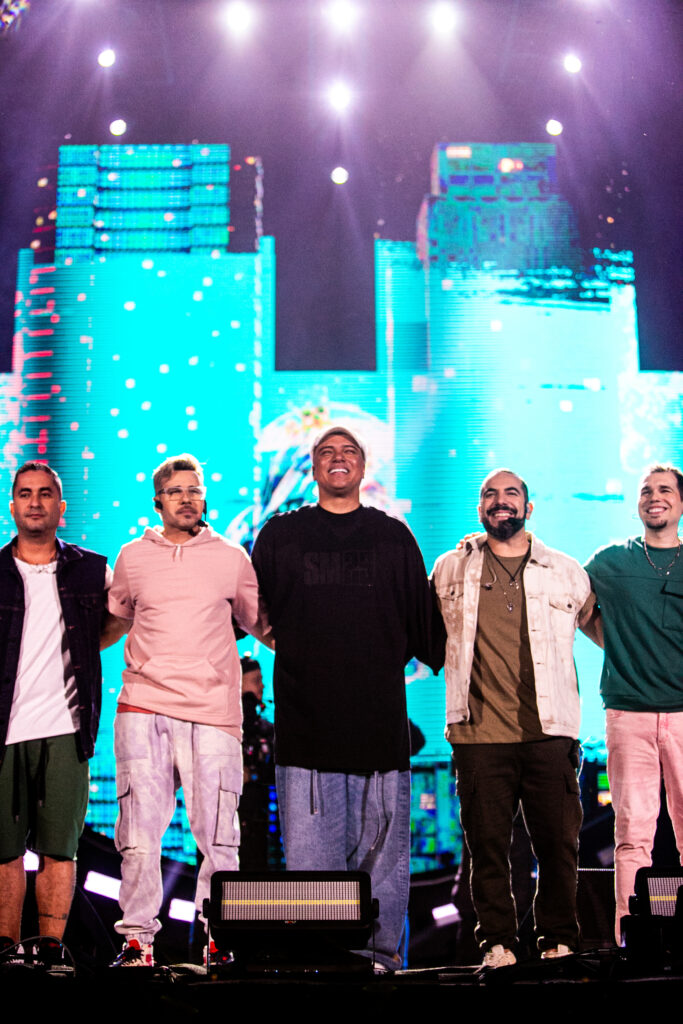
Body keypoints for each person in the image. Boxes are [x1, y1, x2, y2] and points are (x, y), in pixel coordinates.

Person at [251, 425, 440, 971]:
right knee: (314, 873)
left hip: (380, 734)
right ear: (313, 467)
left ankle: (380, 962)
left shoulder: (393, 537)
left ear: (363, 465)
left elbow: (427, 631)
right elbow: (249, 609)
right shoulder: (280, 535)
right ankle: (322, 966)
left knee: (383, 869)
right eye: (327, 452)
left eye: (348, 451)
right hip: (306, 735)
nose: (338, 458)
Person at [103, 453, 267, 967]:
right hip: (143, 707)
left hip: (213, 711)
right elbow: (113, 622)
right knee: (138, 834)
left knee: (220, 837)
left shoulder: (231, 557)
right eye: (175, 491)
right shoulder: (132, 556)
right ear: (158, 501)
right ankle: (138, 941)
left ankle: (219, 938)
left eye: (194, 490)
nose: (186, 498)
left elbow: (263, 625)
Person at [431, 468, 593, 967]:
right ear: (480, 506)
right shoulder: (450, 568)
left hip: (549, 732)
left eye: (511, 493)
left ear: (528, 506)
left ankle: (558, 941)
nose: (500, 501)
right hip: (478, 735)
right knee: (487, 850)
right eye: (490, 494)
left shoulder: (565, 570)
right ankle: (497, 943)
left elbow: (601, 626)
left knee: (559, 847)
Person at [0, 462, 109, 955]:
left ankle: (49, 951)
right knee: (4, 851)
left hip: (67, 727)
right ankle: (6, 950)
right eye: (25, 493)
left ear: (61, 507)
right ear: (12, 506)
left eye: (45, 493)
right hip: (6, 729)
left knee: (60, 850)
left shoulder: (91, 570)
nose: (35, 502)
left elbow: (118, 620)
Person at [583, 462, 683, 942]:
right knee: (632, 835)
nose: (654, 497)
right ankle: (630, 940)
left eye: (664, 490)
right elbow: (573, 602)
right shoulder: (610, 561)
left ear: (680, 503)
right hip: (627, 715)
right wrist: (617, 645)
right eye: (645, 491)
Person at [239, 654, 275, 870]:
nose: (262, 686)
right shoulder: (228, 729)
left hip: (260, 820)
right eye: (255, 681)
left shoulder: (266, 730)